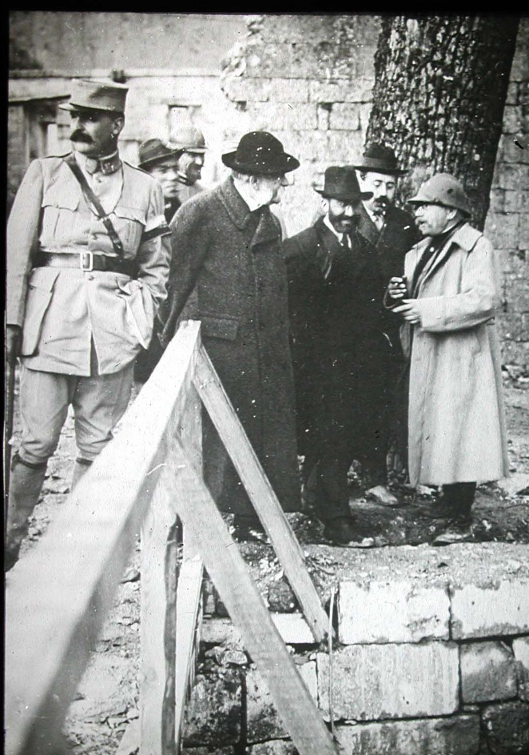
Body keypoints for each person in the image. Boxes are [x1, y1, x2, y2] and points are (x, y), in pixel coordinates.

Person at [5, 79, 171, 571]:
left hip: (111, 334)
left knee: (98, 446)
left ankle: (74, 554)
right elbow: (17, 253)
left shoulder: (146, 187)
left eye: (90, 118)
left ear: (116, 125)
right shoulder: (45, 173)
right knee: (35, 443)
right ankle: (9, 541)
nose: (77, 126)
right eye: (74, 116)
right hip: (48, 324)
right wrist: (12, 322)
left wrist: (140, 315)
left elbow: (156, 265)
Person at [159, 131, 301, 543]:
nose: (284, 185)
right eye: (279, 177)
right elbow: (175, 287)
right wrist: (171, 356)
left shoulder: (268, 221)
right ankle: (202, 525)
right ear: (253, 179)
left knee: (261, 435)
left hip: (265, 352)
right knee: (214, 442)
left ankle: (251, 518)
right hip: (218, 354)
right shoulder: (199, 213)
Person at [388, 172, 510, 531]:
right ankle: (446, 501)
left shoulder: (476, 247)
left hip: (460, 355)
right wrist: (397, 294)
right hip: (432, 351)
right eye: (417, 207)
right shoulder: (421, 249)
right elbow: (417, 294)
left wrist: (426, 311)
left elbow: (484, 300)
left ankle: (460, 509)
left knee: (461, 429)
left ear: (452, 212)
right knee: (442, 427)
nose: (418, 214)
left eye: (427, 206)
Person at [283, 166, 392, 547]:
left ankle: (315, 501)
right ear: (326, 202)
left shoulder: (362, 249)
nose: (348, 213)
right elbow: (287, 311)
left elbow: (371, 305)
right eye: (341, 204)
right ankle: (337, 522)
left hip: (354, 365)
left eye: (354, 206)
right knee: (328, 438)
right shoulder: (300, 248)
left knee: (340, 439)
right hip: (314, 366)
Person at [353, 144, 422, 498]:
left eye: (390, 187)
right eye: (376, 184)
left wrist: (401, 287)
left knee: (385, 401)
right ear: (360, 181)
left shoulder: (403, 225)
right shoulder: (346, 216)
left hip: (389, 328)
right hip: (349, 328)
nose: (382, 194)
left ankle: (378, 477)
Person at [133, 138, 183, 385]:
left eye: (175, 168)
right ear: (146, 176)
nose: (173, 176)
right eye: (164, 170)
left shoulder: (183, 213)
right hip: (143, 315)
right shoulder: (133, 215)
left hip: (175, 316)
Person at [168, 125, 209, 200]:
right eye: (193, 155)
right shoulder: (167, 192)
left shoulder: (205, 194)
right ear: (175, 155)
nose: (199, 162)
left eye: (201, 155)